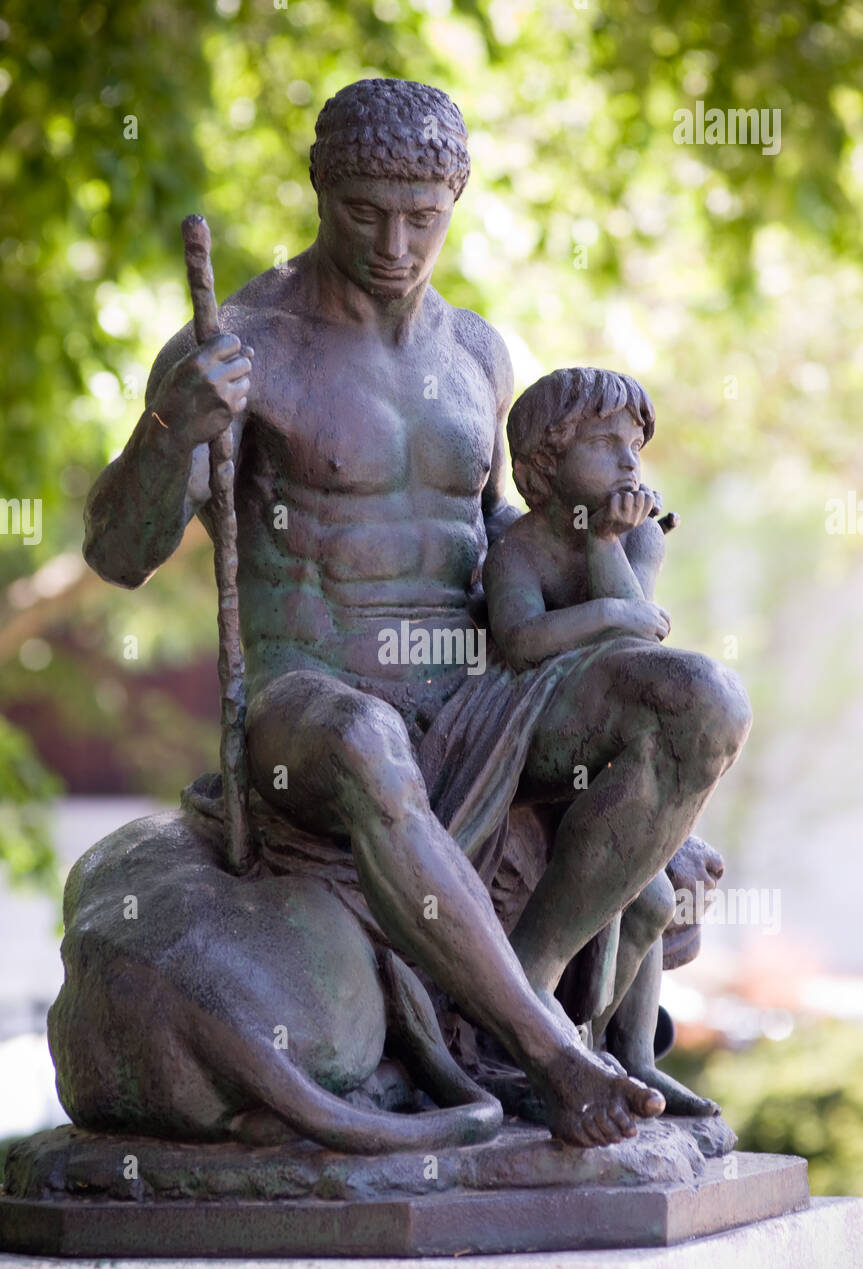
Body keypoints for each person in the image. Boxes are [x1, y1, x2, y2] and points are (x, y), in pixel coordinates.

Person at [83, 80, 749, 1148]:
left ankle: (511, 997)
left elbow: (491, 537)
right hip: (312, 710)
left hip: (478, 693)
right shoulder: (243, 345)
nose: (395, 241)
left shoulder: (475, 355)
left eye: (421, 215)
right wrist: (171, 430)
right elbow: (118, 553)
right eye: (364, 212)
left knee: (699, 701)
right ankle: (546, 1051)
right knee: (363, 736)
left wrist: (609, 551)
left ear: (456, 197)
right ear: (320, 190)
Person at [485, 365, 730, 1113]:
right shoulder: (517, 552)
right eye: (602, 444)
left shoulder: (635, 544)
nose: (629, 461)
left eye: (633, 444)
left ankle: (625, 1053)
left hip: (617, 736)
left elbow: (640, 638)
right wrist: (608, 612)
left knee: (652, 900)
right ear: (541, 470)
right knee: (637, 890)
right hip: (533, 725)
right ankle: (539, 1012)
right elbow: (522, 642)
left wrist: (607, 547)